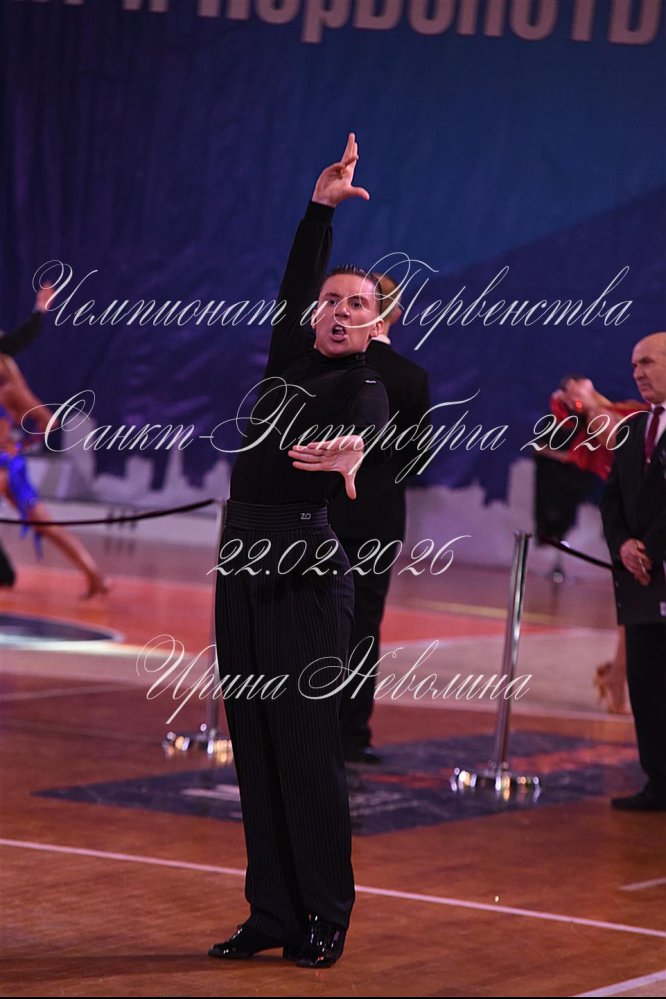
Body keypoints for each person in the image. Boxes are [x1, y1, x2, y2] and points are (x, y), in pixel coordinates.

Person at [209, 134, 390, 967]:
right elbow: (294, 284)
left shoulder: (364, 381)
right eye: (332, 300)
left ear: (377, 324)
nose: (341, 311)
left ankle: (325, 913)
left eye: (358, 305)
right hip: (240, 565)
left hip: (305, 574)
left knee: (308, 748)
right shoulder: (290, 356)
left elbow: (371, 422)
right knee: (253, 739)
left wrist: (354, 449)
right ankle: (273, 910)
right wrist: (319, 210)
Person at [328, 272, 432, 764]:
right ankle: (351, 734)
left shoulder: (329, 367)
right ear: (396, 314)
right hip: (377, 520)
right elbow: (418, 458)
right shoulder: (411, 377)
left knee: (308, 618)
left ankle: (301, 725)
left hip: (320, 511)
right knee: (363, 625)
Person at [543, 375, 648, 714]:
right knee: (641, 605)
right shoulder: (606, 423)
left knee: (640, 608)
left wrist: (591, 402)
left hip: (643, 516)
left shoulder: (619, 413)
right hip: (644, 523)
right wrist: (588, 405)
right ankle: (618, 677)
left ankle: (617, 675)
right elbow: (624, 444)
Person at [600, 332, 666, 812]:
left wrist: (651, 549)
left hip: (655, 565)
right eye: (634, 365)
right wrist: (624, 545)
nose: (637, 373)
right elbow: (612, 501)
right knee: (646, 685)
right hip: (641, 584)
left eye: (647, 363)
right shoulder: (632, 429)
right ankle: (658, 781)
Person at [0, 347, 110, 599]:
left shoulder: (11, 390)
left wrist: (21, 444)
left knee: (46, 524)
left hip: (5, 465)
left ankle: (95, 575)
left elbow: (48, 421)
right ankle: (95, 575)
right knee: (45, 524)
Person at [0, 284, 51, 587]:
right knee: (42, 520)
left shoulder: (10, 390)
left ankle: (3, 572)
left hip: (6, 460)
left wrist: (39, 311)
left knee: (42, 520)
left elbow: (13, 343)